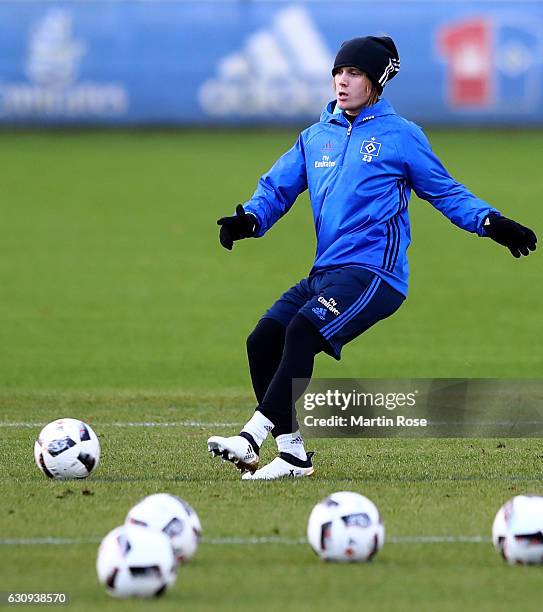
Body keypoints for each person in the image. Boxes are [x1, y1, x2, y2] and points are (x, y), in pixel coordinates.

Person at [207, 35, 537, 480]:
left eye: (355, 73)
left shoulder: (400, 136)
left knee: (304, 331)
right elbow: (277, 188)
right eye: (339, 72)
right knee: (263, 339)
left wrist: (491, 222)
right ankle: (292, 455)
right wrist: (249, 219)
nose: (342, 81)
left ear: (376, 82)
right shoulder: (315, 136)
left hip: (375, 275)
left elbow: (445, 191)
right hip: (326, 273)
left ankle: (251, 436)